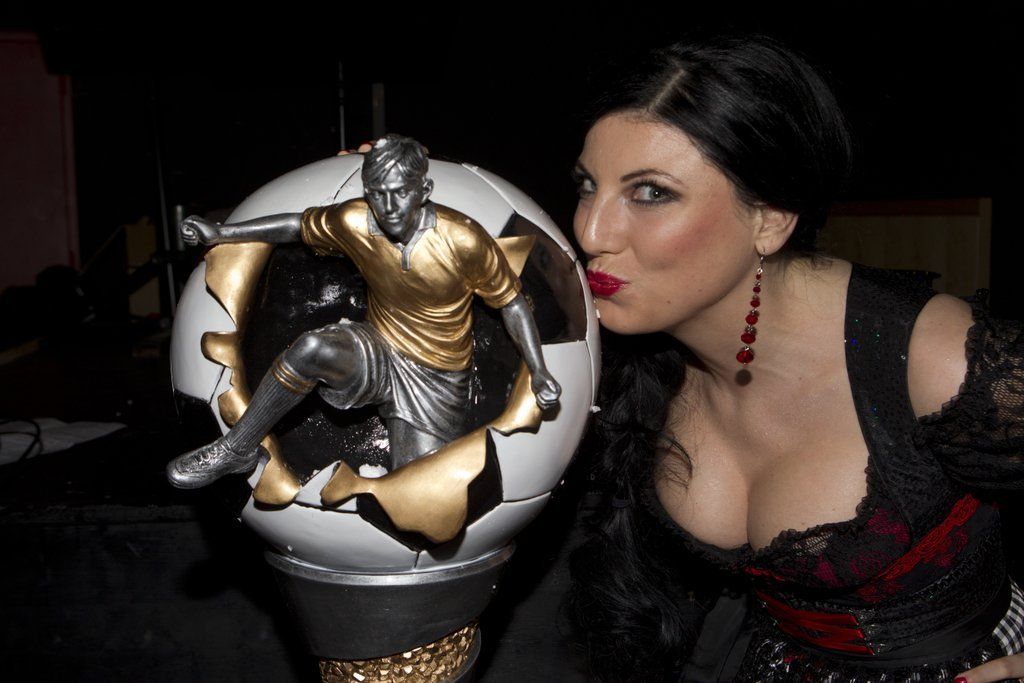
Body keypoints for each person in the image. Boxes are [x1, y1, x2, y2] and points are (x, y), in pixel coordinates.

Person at [566, 35, 1024, 682]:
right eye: (588, 185)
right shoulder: (626, 352)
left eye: (650, 193)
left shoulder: (933, 359)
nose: (591, 230)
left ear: (770, 219)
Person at [167, 134, 560, 488]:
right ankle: (236, 448)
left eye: (399, 193)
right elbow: (295, 226)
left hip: (437, 376)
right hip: (377, 348)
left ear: (424, 189)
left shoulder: (464, 240)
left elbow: (511, 303)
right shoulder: (356, 221)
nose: (388, 207)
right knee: (311, 349)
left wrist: (538, 369)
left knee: (416, 488)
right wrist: (222, 232)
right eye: (377, 194)